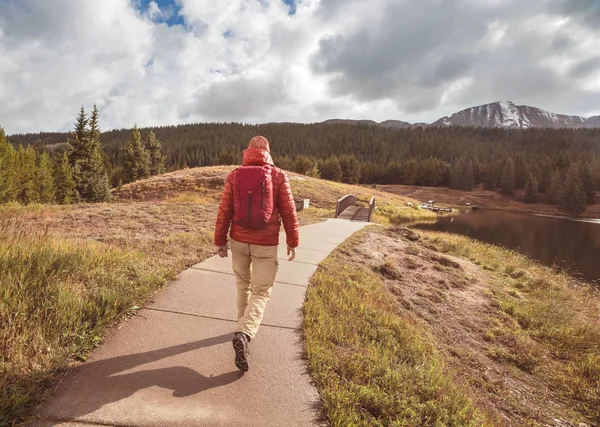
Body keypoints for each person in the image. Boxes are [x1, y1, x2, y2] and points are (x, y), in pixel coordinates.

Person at [214, 135, 299, 372]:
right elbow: (289, 212)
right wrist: (292, 241)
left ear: (247, 152)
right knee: (261, 291)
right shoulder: (278, 175)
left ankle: (242, 328)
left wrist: (220, 241)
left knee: (243, 284)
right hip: (266, 242)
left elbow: (224, 210)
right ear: (268, 153)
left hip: (239, 240)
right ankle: (244, 332)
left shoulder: (234, 175)